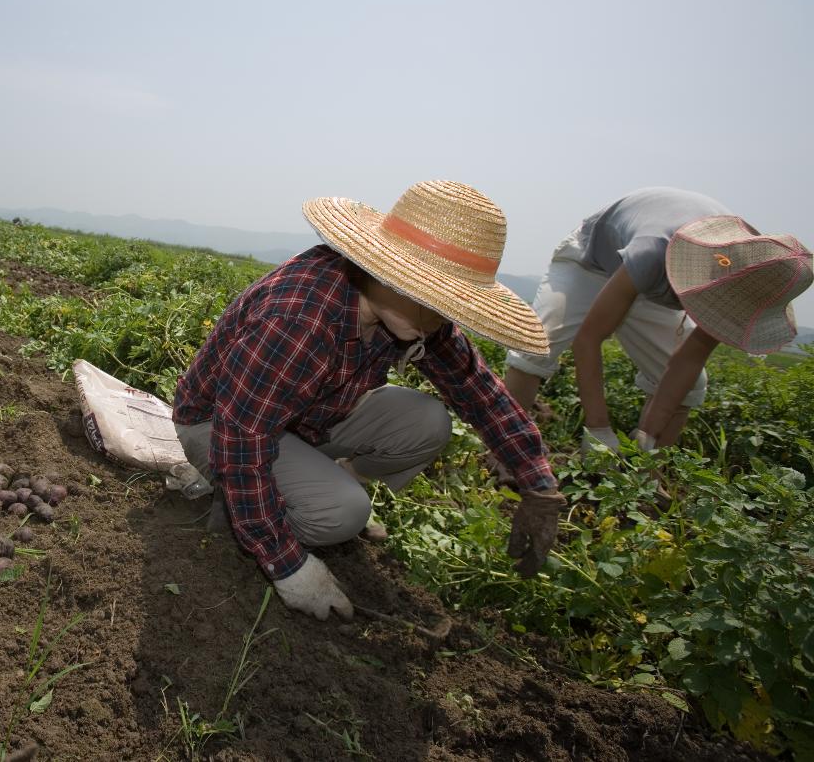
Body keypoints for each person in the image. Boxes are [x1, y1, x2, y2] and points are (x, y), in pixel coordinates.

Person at [172, 180, 565, 621]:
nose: (442, 318)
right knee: (343, 513)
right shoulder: (300, 316)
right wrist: (288, 568)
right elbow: (242, 439)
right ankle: (242, 511)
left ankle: (308, 488)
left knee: (429, 420)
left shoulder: (413, 315)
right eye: (434, 298)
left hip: (306, 418)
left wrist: (537, 483)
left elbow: (478, 392)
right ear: (386, 272)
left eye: (451, 304)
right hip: (220, 425)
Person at [503, 188, 812, 451]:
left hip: (656, 283)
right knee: (536, 345)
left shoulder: (744, 282)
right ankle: (507, 448)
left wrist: (647, 436)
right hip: (592, 263)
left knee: (692, 387)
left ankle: (647, 472)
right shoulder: (653, 252)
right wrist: (598, 428)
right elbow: (589, 339)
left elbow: (686, 362)